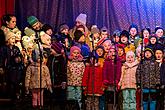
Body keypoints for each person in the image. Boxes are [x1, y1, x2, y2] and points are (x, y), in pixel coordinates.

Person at [82, 45, 105, 110]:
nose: (93, 60)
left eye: (94, 59)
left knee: (96, 102)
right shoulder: (88, 68)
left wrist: (103, 86)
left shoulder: (100, 69)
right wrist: (84, 85)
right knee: (89, 102)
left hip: (97, 88)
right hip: (89, 88)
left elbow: (102, 78)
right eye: (91, 59)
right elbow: (85, 77)